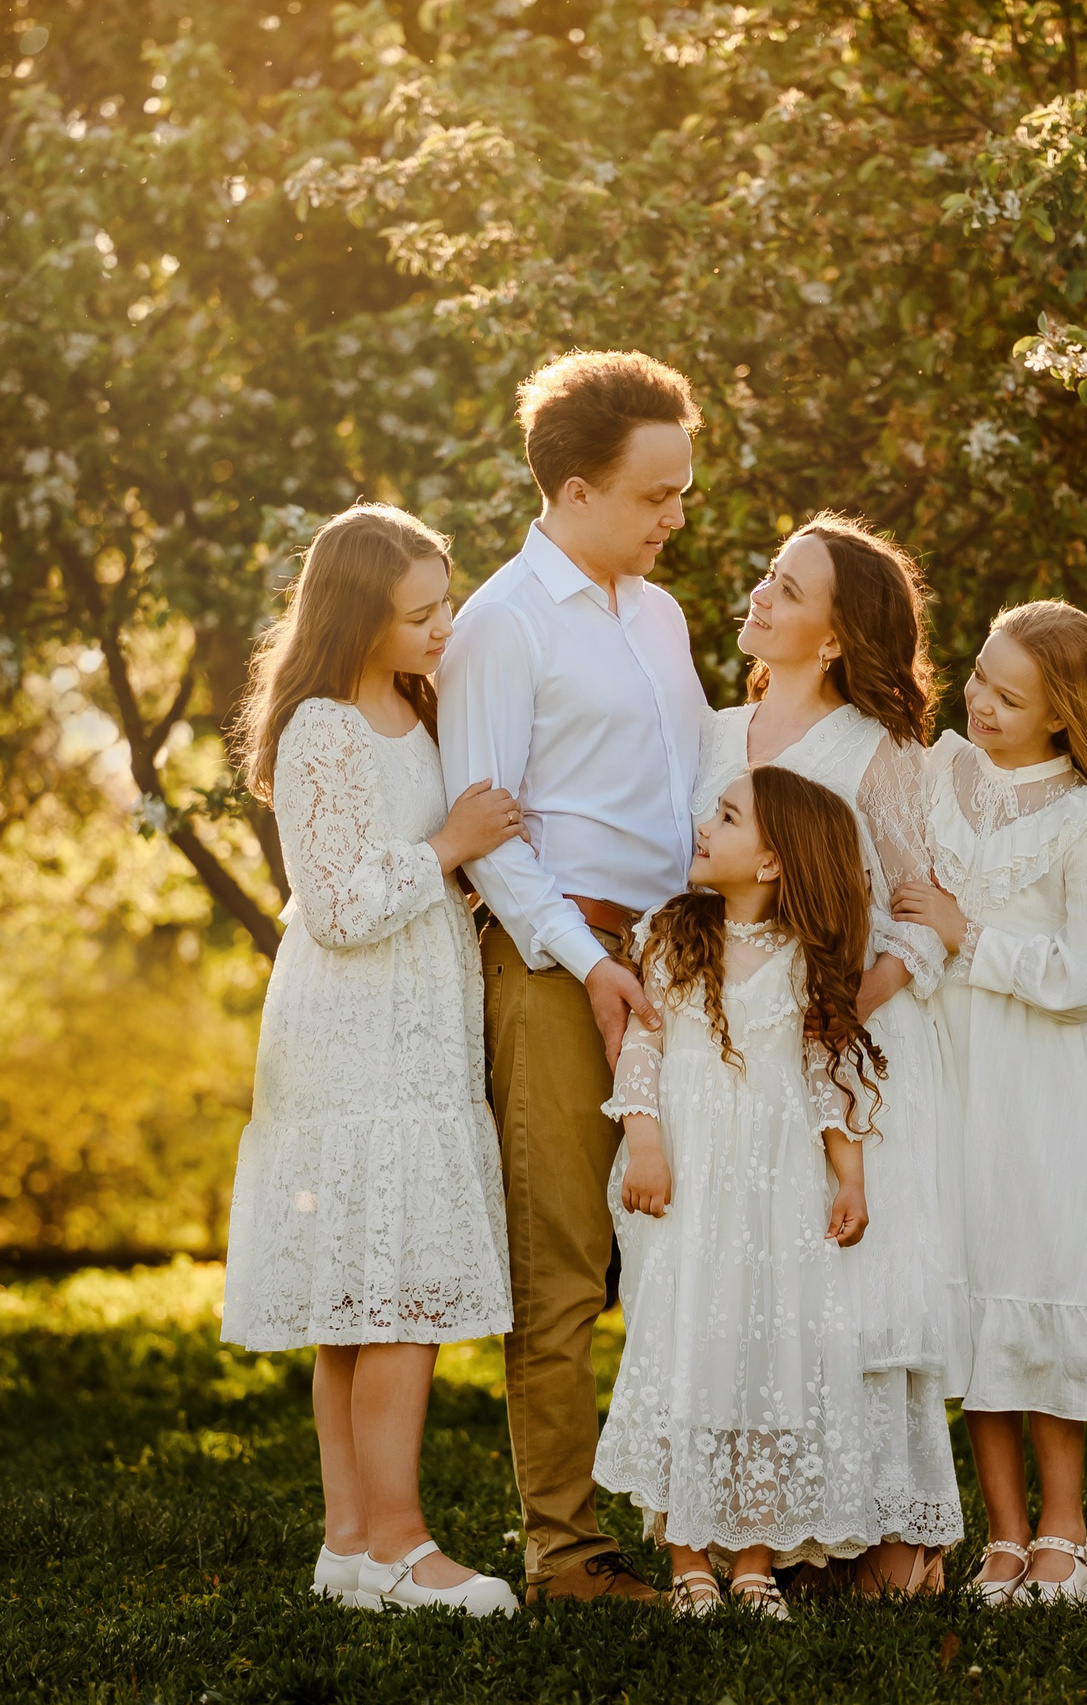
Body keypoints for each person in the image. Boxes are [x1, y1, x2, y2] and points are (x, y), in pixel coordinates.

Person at [435, 350, 710, 1604]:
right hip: (555, 966)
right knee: (563, 1262)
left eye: (683, 494)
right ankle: (564, 1549)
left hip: (682, 966)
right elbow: (488, 839)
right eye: (656, 495)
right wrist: (594, 960)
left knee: (696, 1242)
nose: (673, 518)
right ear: (574, 489)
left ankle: (713, 1527)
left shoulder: (662, 614)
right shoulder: (500, 623)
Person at [219, 503, 527, 1617]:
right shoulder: (320, 731)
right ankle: (393, 1541)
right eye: (420, 613)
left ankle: (349, 1547)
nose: (445, 625)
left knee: (378, 1285)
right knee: (383, 1283)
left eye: (445, 601)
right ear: (358, 617)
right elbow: (339, 903)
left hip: (419, 1020)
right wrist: (449, 848)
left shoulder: (419, 703)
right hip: (349, 1027)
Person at [688, 513, 964, 1594]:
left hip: (844, 1055)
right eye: (767, 575)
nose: (760, 595)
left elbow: (921, 912)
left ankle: (869, 1523)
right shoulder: (713, 734)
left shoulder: (876, 751)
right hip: (727, 1056)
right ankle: (756, 1530)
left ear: (837, 635)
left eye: (787, 589)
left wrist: (840, 1006)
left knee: (846, 1284)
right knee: (748, 1282)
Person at [892, 600, 1087, 1606]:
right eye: (978, 676)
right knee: (971, 1287)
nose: (980, 701)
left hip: (1045, 1075)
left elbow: (1082, 974)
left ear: (1063, 713)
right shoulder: (938, 771)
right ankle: (1002, 1536)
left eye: (1009, 697)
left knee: (1037, 1277)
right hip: (949, 1062)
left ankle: (1067, 1530)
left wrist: (967, 932)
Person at [596, 768, 885, 1619]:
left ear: (770, 863)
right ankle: (689, 1556)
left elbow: (826, 1070)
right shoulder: (669, 935)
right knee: (685, 1345)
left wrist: (851, 1172)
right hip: (684, 1180)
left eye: (726, 817)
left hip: (773, 1189)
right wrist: (642, 1138)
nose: (704, 824)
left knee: (764, 1361)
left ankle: (753, 1560)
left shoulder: (804, 961)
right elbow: (641, 1049)